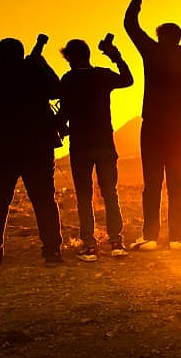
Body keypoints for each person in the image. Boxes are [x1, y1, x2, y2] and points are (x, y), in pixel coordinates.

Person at [0, 35, 65, 265]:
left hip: (1, 151)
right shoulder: (35, 74)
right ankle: (52, 251)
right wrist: (40, 63)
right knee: (43, 200)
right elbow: (57, 89)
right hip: (37, 148)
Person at [123, 0, 181, 251]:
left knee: (153, 184)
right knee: (176, 184)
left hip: (155, 129)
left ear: (161, 37)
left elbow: (130, 24)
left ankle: (150, 236)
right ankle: (177, 238)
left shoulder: (153, 53)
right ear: (178, 38)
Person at [55, 34, 134, 262]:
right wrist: (114, 55)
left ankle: (89, 246)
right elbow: (128, 79)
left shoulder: (68, 79)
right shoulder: (102, 75)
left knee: (84, 196)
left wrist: (59, 126)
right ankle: (116, 243)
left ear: (69, 58)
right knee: (110, 193)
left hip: (80, 144)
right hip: (104, 142)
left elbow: (64, 112)